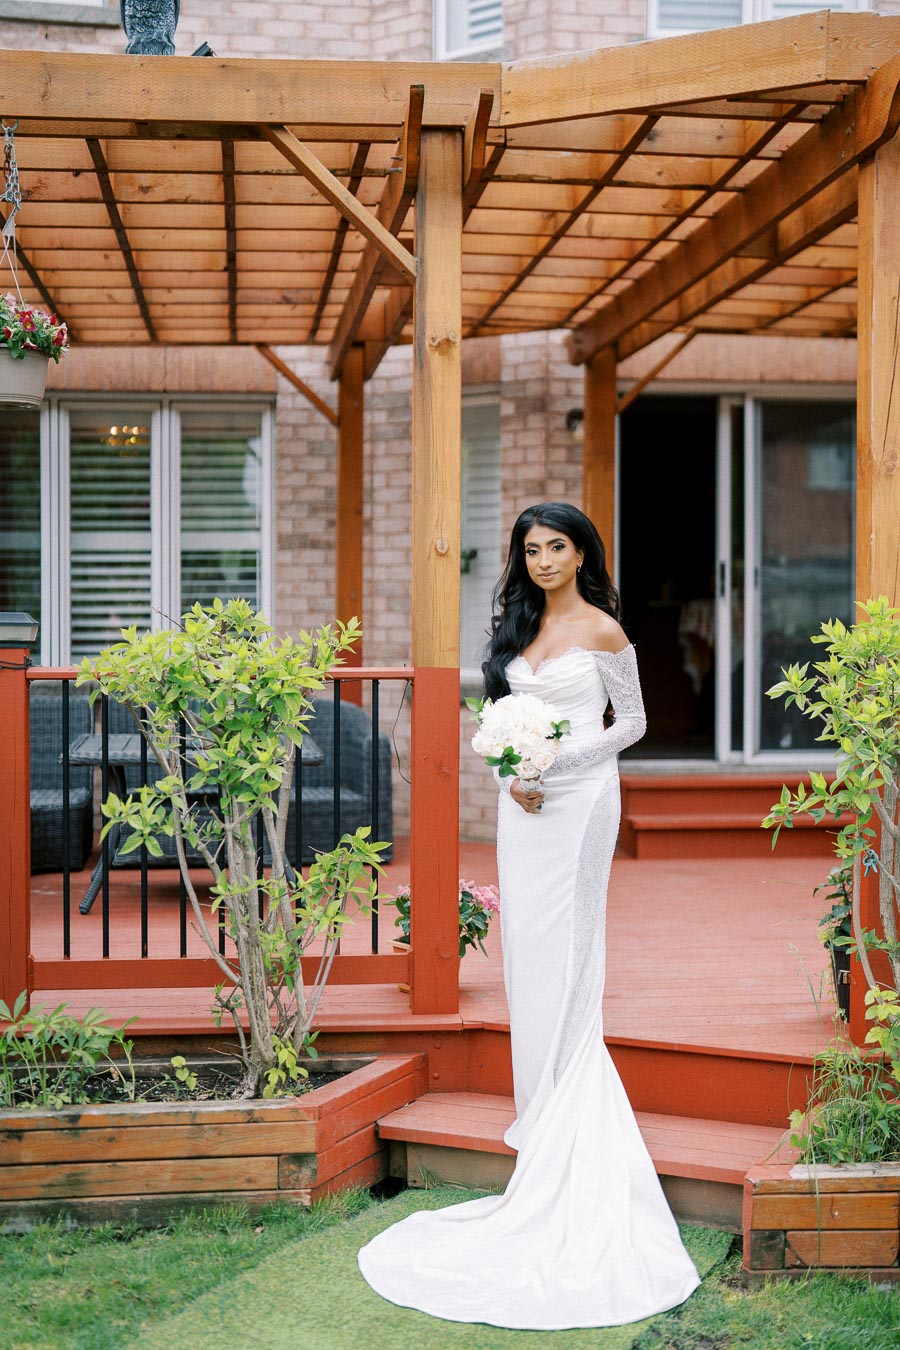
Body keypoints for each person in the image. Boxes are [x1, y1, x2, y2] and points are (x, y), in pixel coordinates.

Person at [358, 502, 700, 1329]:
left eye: (557, 546)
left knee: (572, 954)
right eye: (532, 548)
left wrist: (555, 760)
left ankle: (569, 1127)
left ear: (583, 552)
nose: (543, 559)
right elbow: (500, 725)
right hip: (524, 810)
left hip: (582, 804)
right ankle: (537, 1118)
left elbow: (636, 724)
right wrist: (515, 772)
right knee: (525, 957)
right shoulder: (515, 627)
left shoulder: (605, 631)